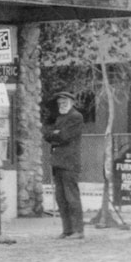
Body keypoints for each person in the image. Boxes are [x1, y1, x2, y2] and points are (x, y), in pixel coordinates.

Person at [43, 91, 85, 240]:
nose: (61, 105)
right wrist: (55, 134)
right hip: (58, 162)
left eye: (65, 102)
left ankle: (78, 231)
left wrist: (55, 134)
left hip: (69, 163)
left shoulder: (76, 117)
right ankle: (67, 230)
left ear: (72, 102)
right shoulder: (59, 117)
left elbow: (64, 136)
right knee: (61, 198)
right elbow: (47, 134)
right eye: (60, 103)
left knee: (72, 197)